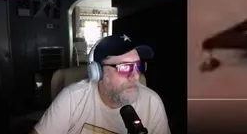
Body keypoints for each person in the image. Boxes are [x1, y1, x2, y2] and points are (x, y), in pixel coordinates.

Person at [33, 34, 170, 134]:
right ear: (97, 72)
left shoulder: (152, 102)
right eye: (125, 67)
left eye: (138, 66)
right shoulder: (72, 99)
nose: (135, 76)